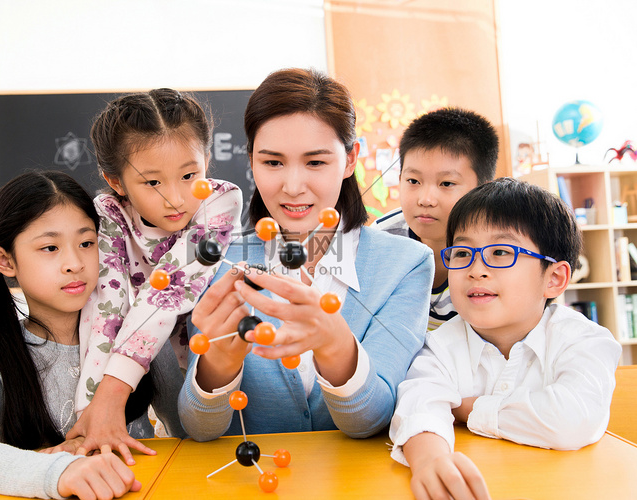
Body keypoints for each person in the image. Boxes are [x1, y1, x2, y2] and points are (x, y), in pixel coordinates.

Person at [178, 68, 433, 441]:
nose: (293, 187)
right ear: (251, 160)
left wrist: (335, 345)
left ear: (350, 160)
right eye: (272, 162)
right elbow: (199, 428)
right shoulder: (216, 259)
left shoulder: (406, 264)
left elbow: (372, 419)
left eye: (315, 162)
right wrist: (219, 363)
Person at [389, 178, 622, 500]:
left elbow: (573, 419)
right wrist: (430, 461)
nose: (476, 269)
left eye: (501, 252)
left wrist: (468, 409)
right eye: (462, 252)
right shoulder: (439, 345)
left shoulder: (586, 340)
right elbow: (419, 406)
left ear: (554, 278)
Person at [0, 171, 143, 499]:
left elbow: (195, 431)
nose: (74, 263)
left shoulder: (137, 331)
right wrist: (60, 471)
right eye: (50, 247)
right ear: (5, 260)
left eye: (87, 243)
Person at [69, 89, 242, 459]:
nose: (175, 198)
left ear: (206, 162)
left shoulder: (220, 203)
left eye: (189, 175)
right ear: (116, 182)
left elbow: (166, 296)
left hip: (205, 356)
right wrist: (91, 413)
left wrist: (112, 395)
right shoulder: (111, 215)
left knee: (197, 444)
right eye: (153, 183)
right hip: (136, 352)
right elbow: (105, 310)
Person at [373, 108, 499, 330]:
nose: (426, 199)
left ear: (483, 189)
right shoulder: (382, 238)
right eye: (413, 181)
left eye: (447, 184)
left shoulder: (500, 251)